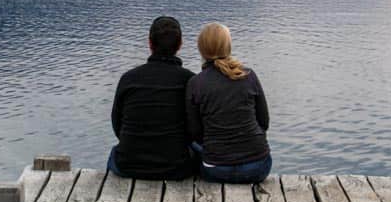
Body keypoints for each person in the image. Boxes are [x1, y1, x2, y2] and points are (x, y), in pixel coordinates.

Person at [108, 16, 197, 180]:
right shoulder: (190, 81)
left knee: (114, 153)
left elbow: (117, 125)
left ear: (150, 43)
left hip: (128, 165)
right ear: (180, 45)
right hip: (176, 167)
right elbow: (195, 130)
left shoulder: (128, 78)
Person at [186, 22, 271, 183]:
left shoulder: (195, 83)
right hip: (259, 166)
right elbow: (264, 122)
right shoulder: (248, 75)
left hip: (216, 170)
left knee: (188, 145)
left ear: (202, 50)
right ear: (228, 47)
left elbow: (195, 132)